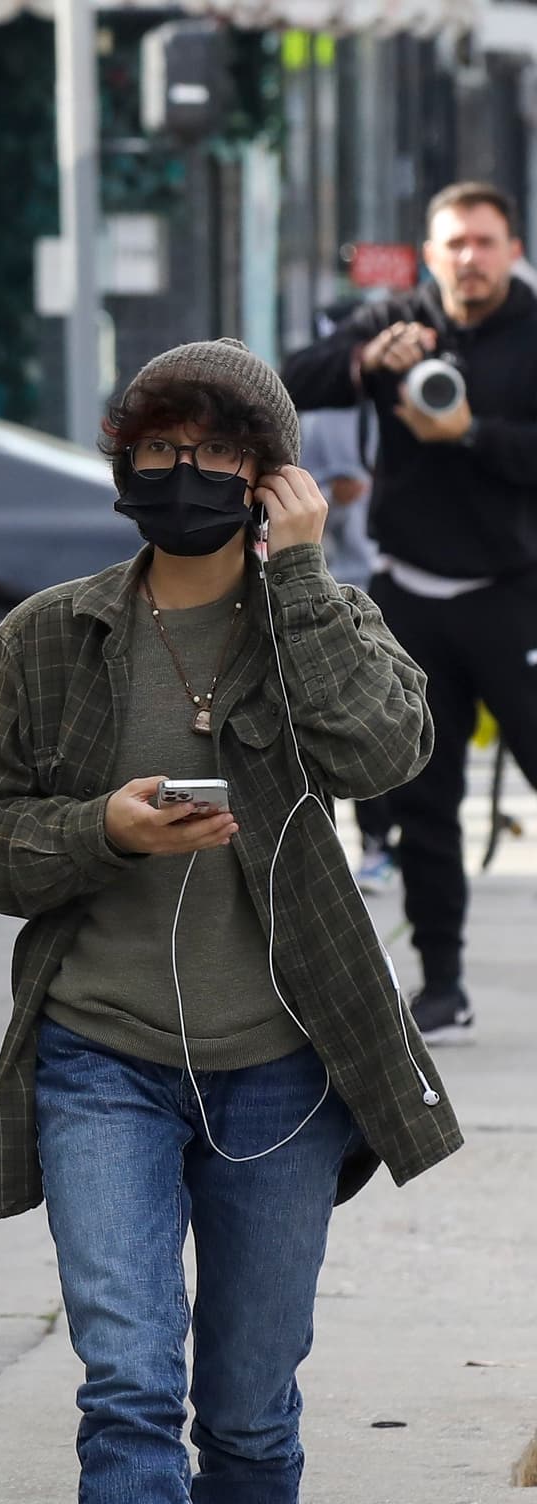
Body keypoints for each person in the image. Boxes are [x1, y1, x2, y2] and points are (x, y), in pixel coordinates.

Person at [0, 338, 461, 1504]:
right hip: (100, 1059)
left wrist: (297, 578)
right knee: (124, 1384)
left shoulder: (318, 620)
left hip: (279, 1076)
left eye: (223, 462)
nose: (188, 482)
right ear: (121, 465)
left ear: (271, 478)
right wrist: (101, 828)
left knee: (246, 1404)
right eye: (160, 455)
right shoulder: (53, 637)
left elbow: (386, 750)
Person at [284, 181, 537, 1042]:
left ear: (512, 248)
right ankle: (444, 983)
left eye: (485, 241)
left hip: (514, 592)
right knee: (421, 797)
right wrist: (367, 360)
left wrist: (470, 433)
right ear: (431, 254)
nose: (470, 258)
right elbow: (288, 383)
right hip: (410, 594)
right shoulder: (394, 320)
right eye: (454, 243)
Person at [298, 367, 396, 896]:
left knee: (414, 716)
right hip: (347, 587)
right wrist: (335, 493)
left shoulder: (430, 390)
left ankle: (390, 841)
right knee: (357, 715)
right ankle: (376, 842)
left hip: (415, 578)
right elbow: (294, 502)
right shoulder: (324, 415)